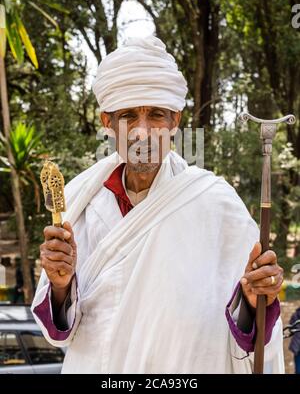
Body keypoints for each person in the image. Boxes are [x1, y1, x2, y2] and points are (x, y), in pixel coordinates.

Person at [31, 36, 284, 374]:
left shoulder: (216, 204)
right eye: (128, 116)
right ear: (107, 123)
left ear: (175, 121)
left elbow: (251, 332)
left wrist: (253, 300)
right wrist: (60, 285)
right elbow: (61, 332)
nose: (142, 132)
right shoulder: (81, 203)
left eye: (156, 115)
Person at [289, 307, 300, 374]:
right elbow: (291, 327)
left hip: (296, 345)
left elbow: (291, 327)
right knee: (298, 369)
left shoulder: (295, 314)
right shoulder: (296, 315)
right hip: (297, 346)